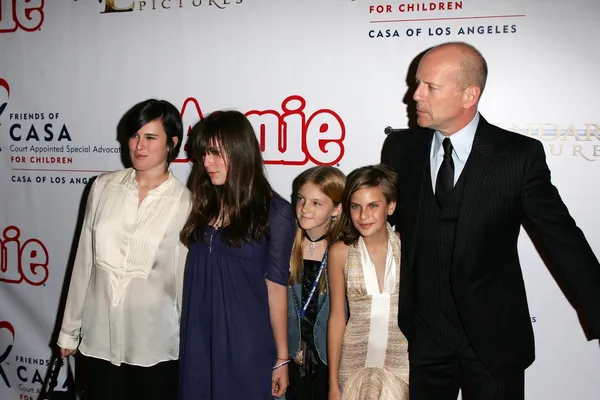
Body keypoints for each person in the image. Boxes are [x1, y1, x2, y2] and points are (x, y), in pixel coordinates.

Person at [381, 41, 600, 399]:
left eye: (430, 87)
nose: (415, 95)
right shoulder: (402, 148)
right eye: (417, 83)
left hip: (494, 337)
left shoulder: (517, 156)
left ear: (469, 95)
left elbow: (562, 239)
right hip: (425, 337)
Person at [56, 98, 192, 400]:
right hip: (98, 341)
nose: (139, 146)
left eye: (150, 137)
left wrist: (191, 347)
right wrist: (69, 330)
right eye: (134, 135)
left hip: (154, 346)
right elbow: (83, 264)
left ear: (172, 143)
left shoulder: (185, 202)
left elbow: (185, 282)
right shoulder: (102, 187)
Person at [178, 110, 295, 399]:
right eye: (204, 153)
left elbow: (276, 288)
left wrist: (281, 357)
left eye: (216, 153)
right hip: (199, 339)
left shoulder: (274, 212)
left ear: (241, 152)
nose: (206, 162)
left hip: (246, 342)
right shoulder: (203, 202)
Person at [327, 165, 410, 400]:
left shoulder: (409, 248)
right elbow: (337, 317)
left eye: (373, 205)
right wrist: (333, 384)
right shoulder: (340, 252)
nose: (363, 216)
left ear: (390, 206)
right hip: (354, 363)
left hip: (401, 364)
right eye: (356, 206)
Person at [286, 166, 346, 400]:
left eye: (316, 203)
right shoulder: (286, 244)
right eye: (301, 199)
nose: (304, 209)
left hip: (328, 361)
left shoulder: (345, 251)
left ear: (337, 208)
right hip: (291, 357)